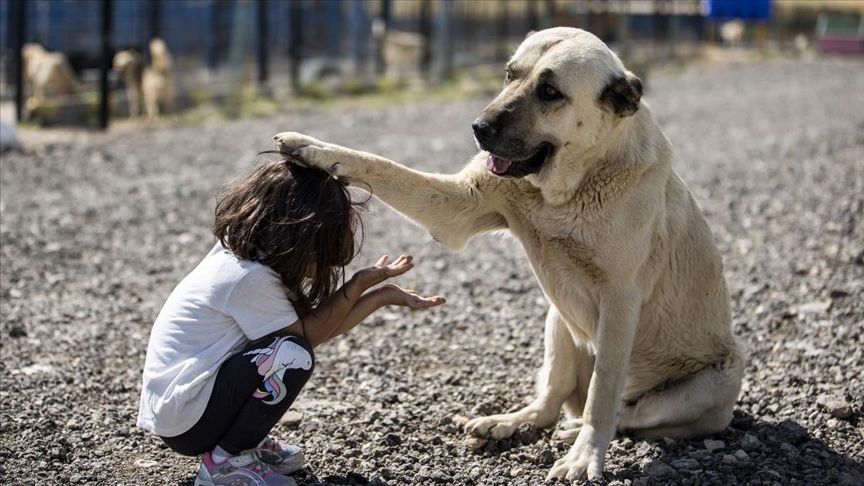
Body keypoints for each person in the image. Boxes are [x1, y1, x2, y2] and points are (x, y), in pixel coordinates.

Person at [137, 156, 445, 486]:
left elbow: (309, 330)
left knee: (290, 351)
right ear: (297, 236)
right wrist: (358, 285)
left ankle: (242, 445)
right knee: (291, 357)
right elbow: (303, 341)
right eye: (320, 253)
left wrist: (379, 296)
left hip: (187, 410)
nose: (322, 266)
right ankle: (225, 464)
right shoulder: (247, 278)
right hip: (188, 417)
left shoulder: (245, 258)